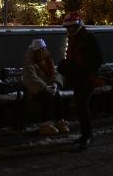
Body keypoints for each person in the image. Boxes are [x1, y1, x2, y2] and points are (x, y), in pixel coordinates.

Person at [58, 13, 102, 149]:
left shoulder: (86, 39)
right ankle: (85, 134)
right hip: (79, 77)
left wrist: (81, 69)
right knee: (79, 106)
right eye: (67, 28)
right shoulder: (75, 38)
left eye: (71, 27)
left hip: (86, 78)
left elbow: (96, 60)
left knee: (82, 106)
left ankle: (87, 135)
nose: (69, 30)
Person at [22, 39, 69, 135]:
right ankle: (45, 124)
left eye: (44, 49)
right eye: (41, 50)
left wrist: (55, 83)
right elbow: (30, 78)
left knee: (56, 95)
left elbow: (54, 73)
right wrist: (44, 87)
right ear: (36, 51)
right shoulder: (30, 63)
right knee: (47, 96)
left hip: (48, 88)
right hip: (35, 91)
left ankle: (60, 121)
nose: (43, 51)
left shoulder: (48, 60)